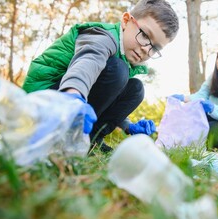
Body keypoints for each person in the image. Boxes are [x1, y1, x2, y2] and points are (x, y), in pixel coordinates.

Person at [22, 0, 179, 152]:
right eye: (145, 35)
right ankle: (61, 133)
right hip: (42, 101)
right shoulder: (103, 37)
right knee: (118, 70)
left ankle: (91, 139)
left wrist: (127, 125)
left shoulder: (126, 57)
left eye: (155, 47)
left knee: (135, 89)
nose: (146, 49)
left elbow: (103, 96)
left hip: (69, 96)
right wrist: (73, 96)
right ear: (126, 21)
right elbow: (86, 65)